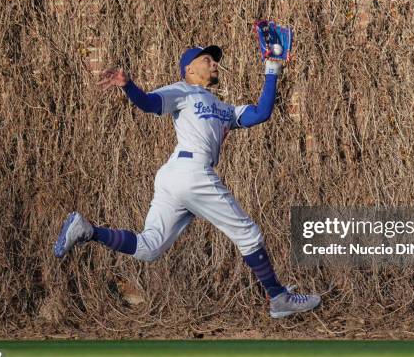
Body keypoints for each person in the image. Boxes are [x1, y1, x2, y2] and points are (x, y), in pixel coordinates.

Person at [54, 45, 320, 318]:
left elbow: (261, 113)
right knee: (248, 234)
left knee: (150, 247)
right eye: (207, 60)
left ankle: (88, 231)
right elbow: (150, 103)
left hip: (175, 176)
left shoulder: (224, 108)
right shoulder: (181, 90)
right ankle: (278, 298)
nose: (214, 63)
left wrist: (272, 68)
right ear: (189, 69)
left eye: (214, 60)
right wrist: (128, 85)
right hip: (190, 172)